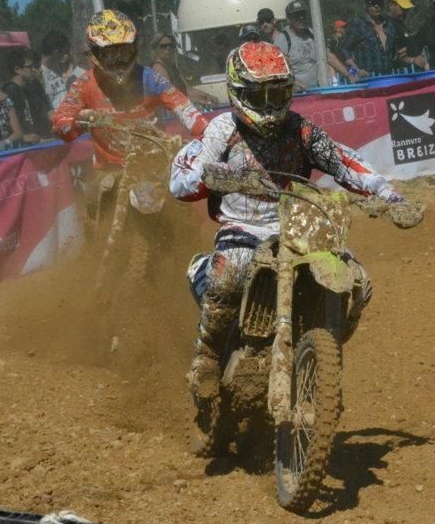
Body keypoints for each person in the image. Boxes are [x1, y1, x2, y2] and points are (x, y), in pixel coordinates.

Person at [168, 41, 419, 441]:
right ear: (238, 94)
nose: (270, 107)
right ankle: (207, 358)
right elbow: (182, 181)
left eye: (278, 94)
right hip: (243, 229)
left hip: (298, 227)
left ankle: (321, 359)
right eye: (260, 96)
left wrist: (390, 196)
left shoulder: (300, 130)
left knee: (354, 276)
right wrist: (211, 176)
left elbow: (344, 161)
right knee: (230, 273)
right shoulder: (222, 130)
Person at [53, 10, 208, 168]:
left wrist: (209, 134)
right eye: (109, 54)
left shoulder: (151, 78)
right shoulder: (84, 83)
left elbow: (186, 110)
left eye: (124, 51)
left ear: (134, 48)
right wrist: (79, 122)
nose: (119, 60)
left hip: (155, 164)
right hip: (110, 170)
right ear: (96, 53)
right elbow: (60, 124)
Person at [274, 0, 352, 90]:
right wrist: (301, 86)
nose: (301, 18)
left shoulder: (311, 33)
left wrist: (349, 75)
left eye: (303, 14)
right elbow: (280, 71)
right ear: (288, 19)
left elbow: (328, 57)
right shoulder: (283, 40)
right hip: (298, 93)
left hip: (318, 90)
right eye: (296, 15)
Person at [338, 0, 396, 79]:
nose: (376, 6)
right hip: (367, 78)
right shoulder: (357, 24)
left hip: (390, 76)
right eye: (372, 3)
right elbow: (343, 50)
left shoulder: (389, 24)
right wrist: (355, 71)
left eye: (379, 2)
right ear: (365, 5)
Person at [151, 32, 218, 108]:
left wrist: (207, 96)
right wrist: (199, 100)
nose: (168, 48)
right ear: (155, 49)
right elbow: (170, 95)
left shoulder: (172, 67)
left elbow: (187, 89)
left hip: (183, 106)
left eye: (171, 45)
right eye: (163, 46)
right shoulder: (158, 68)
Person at [3, 50, 42, 145]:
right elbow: (5, 123)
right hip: (19, 146)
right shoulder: (11, 90)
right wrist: (24, 137)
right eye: (30, 67)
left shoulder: (25, 89)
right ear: (17, 69)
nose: (34, 70)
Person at [387, 0, 425, 70]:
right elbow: (392, 54)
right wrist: (412, 60)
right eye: (402, 8)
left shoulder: (401, 25)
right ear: (391, 5)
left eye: (406, 9)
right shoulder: (388, 25)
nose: (404, 12)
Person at [39, 30, 71, 110]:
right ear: (55, 53)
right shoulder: (38, 73)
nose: (65, 55)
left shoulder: (55, 66)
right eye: (64, 52)